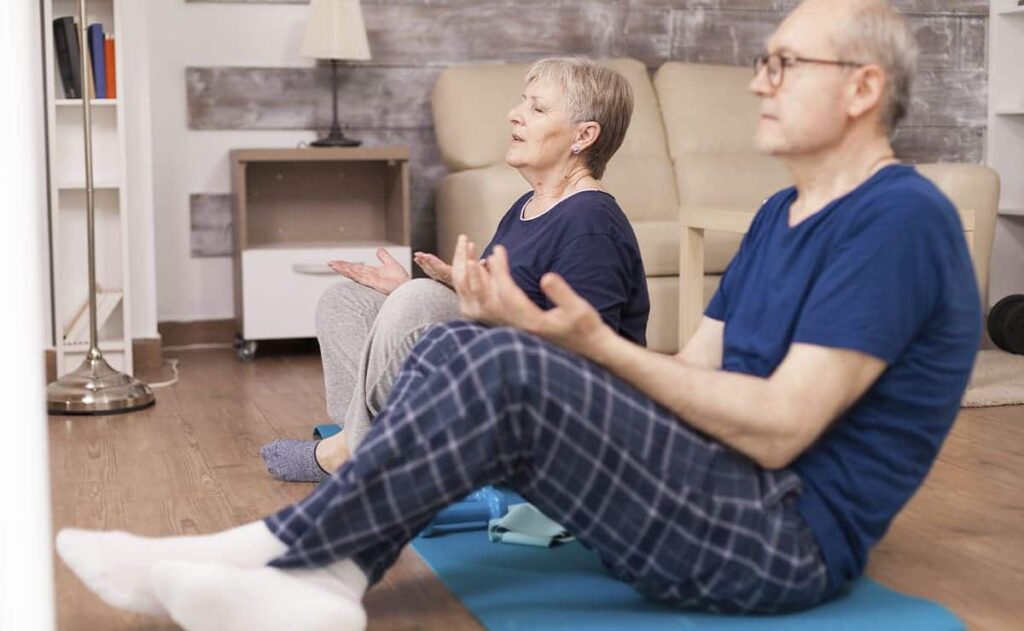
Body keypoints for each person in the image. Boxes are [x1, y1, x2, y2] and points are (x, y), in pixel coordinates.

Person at [55, 1, 982, 629]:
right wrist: (536, 336)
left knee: (490, 357)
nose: (757, 83)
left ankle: (267, 551)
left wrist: (582, 346)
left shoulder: (899, 219)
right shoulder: (782, 215)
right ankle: (325, 578)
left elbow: (780, 431)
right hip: (710, 489)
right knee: (463, 340)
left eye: (785, 64)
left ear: (863, 88)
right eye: (762, 63)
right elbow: (697, 377)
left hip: (778, 540)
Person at [261, 56, 649, 482]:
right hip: (495, 379)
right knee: (346, 301)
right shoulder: (527, 206)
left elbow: (592, 356)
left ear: (584, 136)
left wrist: (448, 301)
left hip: (554, 420)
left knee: (420, 299)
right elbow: (486, 314)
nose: (514, 114)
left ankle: (356, 450)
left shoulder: (592, 222)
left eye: (537, 109)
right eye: (522, 102)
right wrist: (432, 291)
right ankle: (380, 445)